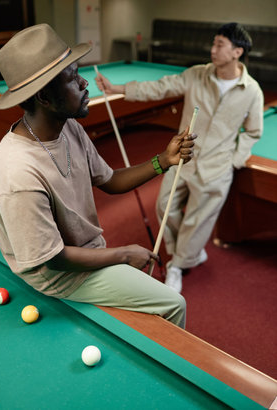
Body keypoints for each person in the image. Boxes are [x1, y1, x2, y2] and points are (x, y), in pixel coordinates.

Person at [0, 23, 197, 328]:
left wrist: (164, 160)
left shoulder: (68, 127)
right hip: (58, 277)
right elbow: (52, 258)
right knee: (173, 303)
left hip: (82, 252)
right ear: (45, 97)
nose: (85, 83)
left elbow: (110, 181)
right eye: (73, 78)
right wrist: (122, 255)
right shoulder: (16, 173)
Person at [95, 22, 264, 293]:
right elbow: (161, 87)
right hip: (182, 159)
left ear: (237, 52)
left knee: (198, 221)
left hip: (217, 167)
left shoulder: (252, 90)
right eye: (213, 43)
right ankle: (187, 252)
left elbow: (254, 131)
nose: (212, 49)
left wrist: (235, 159)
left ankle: (177, 265)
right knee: (165, 207)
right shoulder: (197, 75)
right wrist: (118, 89)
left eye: (220, 45)